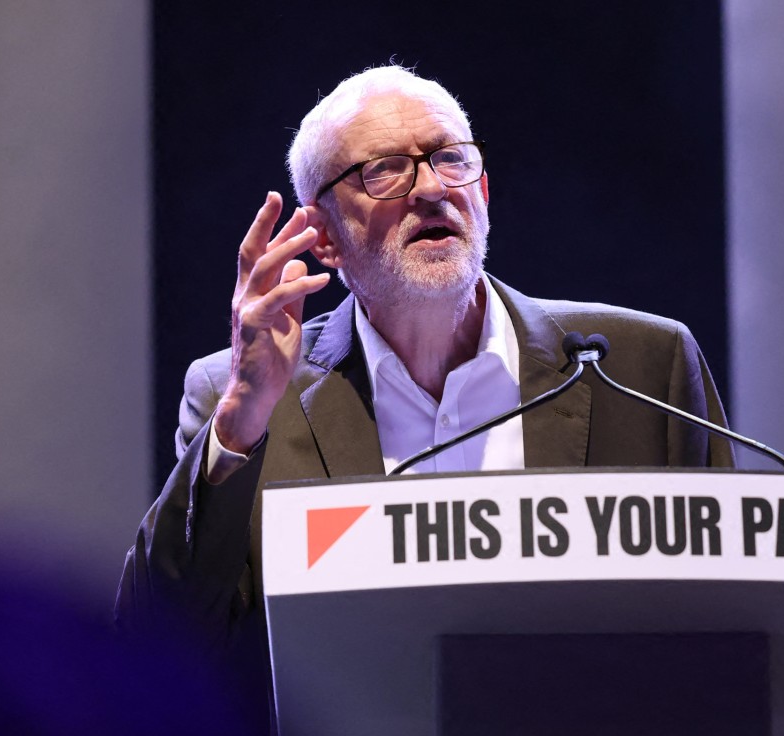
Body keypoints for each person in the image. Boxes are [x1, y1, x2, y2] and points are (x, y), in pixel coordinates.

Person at [117, 65, 734, 728]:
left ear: (483, 193)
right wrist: (240, 422)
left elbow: (728, 632)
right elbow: (157, 645)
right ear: (323, 237)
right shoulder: (242, 397)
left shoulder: (641, 368)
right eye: (385, 170)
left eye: (450, 159)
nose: (433, 189)